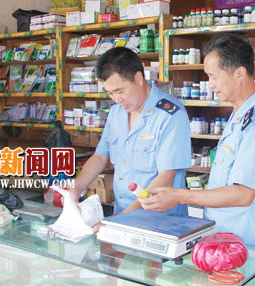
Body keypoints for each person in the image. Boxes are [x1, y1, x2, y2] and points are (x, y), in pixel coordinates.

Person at [140, 34, 255, 251]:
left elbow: (243, 194)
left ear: (239, 73)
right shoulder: (239, 114)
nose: (210, 85)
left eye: (214, 77)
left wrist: (179, 196)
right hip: (228, 238)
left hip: (249, 246)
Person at [70, 47, 191, 215]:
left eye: (120, 91)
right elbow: (100, 156)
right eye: (110, 93)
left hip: (159, 218)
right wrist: (76, 187)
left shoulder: (171, 115)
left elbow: (166, 177)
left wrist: (122, 218)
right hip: (122, 211)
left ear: (138, 78)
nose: (116, 99)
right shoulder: (116, 112)